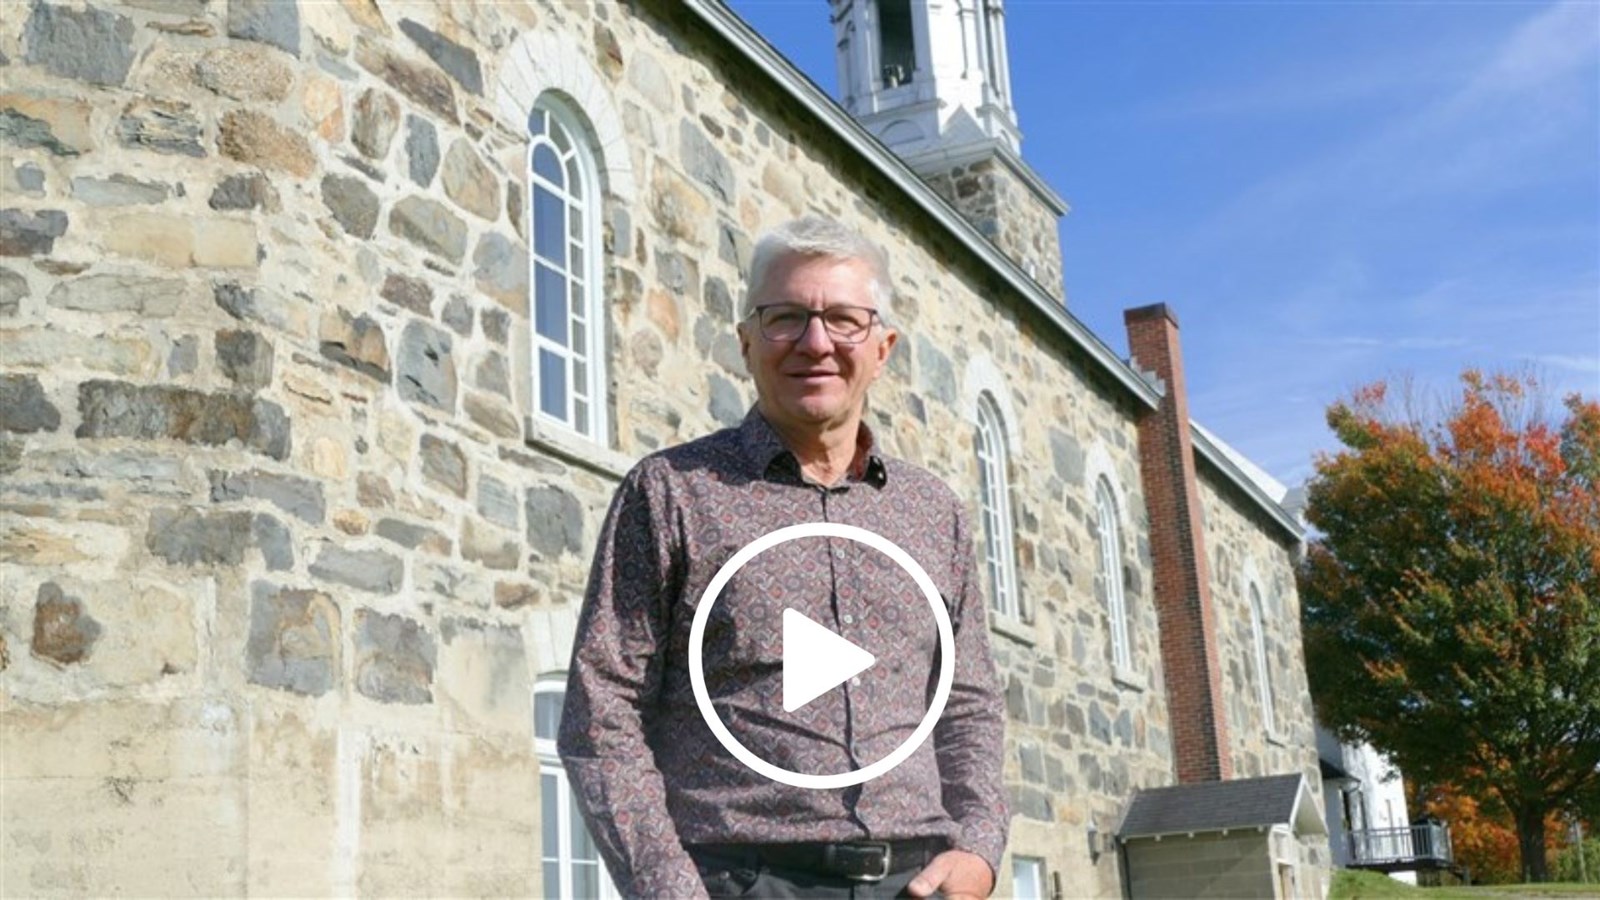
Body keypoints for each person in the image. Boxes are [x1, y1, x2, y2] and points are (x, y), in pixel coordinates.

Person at [558, 217, 1008, 899]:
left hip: (919, 884)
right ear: (745, 343)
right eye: (785, 318)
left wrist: (978, 846)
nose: (815, 342)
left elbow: (968, 701)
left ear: (883, 348)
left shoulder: (932, 510)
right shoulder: (670, 492)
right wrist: (668, 888)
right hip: (741, 880)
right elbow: (602, 710)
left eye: (843, 320)